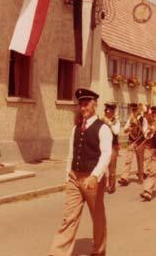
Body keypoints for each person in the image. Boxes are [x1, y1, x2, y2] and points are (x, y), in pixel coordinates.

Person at [49, 88, 112, 256]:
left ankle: (98, 250)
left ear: (94, 104)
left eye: (87, 104)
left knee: (97, 216)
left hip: (92, 180)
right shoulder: (75, 128)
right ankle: (58, 252)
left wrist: (95, 175)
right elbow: (71, 153)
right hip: (74, 178)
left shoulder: (103, 128)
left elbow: (106, 155)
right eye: (81, 105)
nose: (83, 108)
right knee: (69, 217)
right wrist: (67, 176)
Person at [118, 103, 148, 186]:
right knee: (128, 160)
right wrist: (131, 126)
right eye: (133, 110)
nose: (134, 111)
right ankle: (124, 178)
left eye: (135, 109)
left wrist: (138, 124)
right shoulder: (130, 119)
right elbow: (125, 130)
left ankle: (141, 177)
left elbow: (145, 132)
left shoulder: (143, 119)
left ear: (139, 110)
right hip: (131, 141)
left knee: (140, 160)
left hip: (139, 141)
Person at [103, 102, 121, 194]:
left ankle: (111, 186)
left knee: (112, 168)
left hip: (113, 146)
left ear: (112, 112)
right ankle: (102, 185)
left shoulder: (116, 121)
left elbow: (116, 131)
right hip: (103, 146)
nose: (106, 113)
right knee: (102, 166)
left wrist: (109, 123)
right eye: (106, 111)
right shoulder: (102, 121)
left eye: (108, 111)